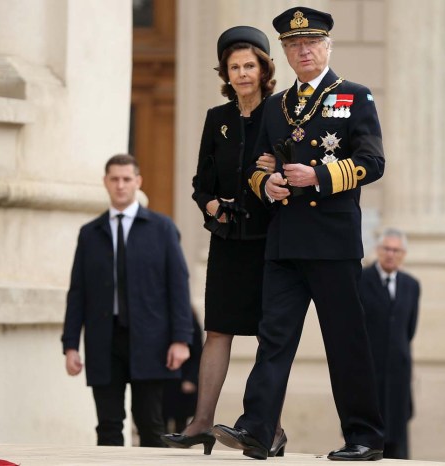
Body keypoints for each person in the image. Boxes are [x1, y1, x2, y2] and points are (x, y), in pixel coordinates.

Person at [212, 7, 386, 460]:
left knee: (345, 342)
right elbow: (257, 165)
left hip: (332, 243)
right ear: (286, 54)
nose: (303, 50)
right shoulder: (276, 106)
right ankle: (257, 427)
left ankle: (365, 436)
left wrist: (319, 178)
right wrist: (263, 184)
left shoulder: (354, 96)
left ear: (327, 46)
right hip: (285, 240)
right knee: (274, 339)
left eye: (311, 43)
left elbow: (373, 162)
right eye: (293, 45)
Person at [162, 26, 286, 457]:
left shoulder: (282, 113)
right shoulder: (217, 118)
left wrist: (280, 164)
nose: (242, 73)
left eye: (249, 65)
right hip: (229, 239)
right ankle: (200, 422)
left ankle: (269, 428)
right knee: (217, 330)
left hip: (271, 243)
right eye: (234, 67)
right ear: (226, 73)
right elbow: (200, 182)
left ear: (264, 68)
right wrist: (210, 205)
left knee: (272, 337)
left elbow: (296, 172)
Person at [61, 154, 193, 448]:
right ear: (105, 183)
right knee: (108, 425)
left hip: (151, 339)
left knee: (150, 423)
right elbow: (78, 292)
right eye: (114, 179)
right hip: (103, 340)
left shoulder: (162, 229)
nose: (120, 186)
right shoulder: (90, 234)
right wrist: (70, 344)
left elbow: (178, 286)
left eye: (126, 179)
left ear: (138, 182)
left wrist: (181, 339)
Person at [360, 228, 420, 459]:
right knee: (367, 440)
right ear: (378, 250)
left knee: (398, 443)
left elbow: (409, 329)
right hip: (369, 372)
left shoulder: (411, 286)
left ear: (403, 254)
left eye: (396, 250)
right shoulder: (362, 279)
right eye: (387, 249)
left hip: (398, 374)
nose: (391, 254)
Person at [162, 310, 203, 434]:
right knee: (160, 423)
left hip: (182, 381)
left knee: (181, 424)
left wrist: (190, 379)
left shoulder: (188, 320)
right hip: (162, 379)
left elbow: (198, 354)